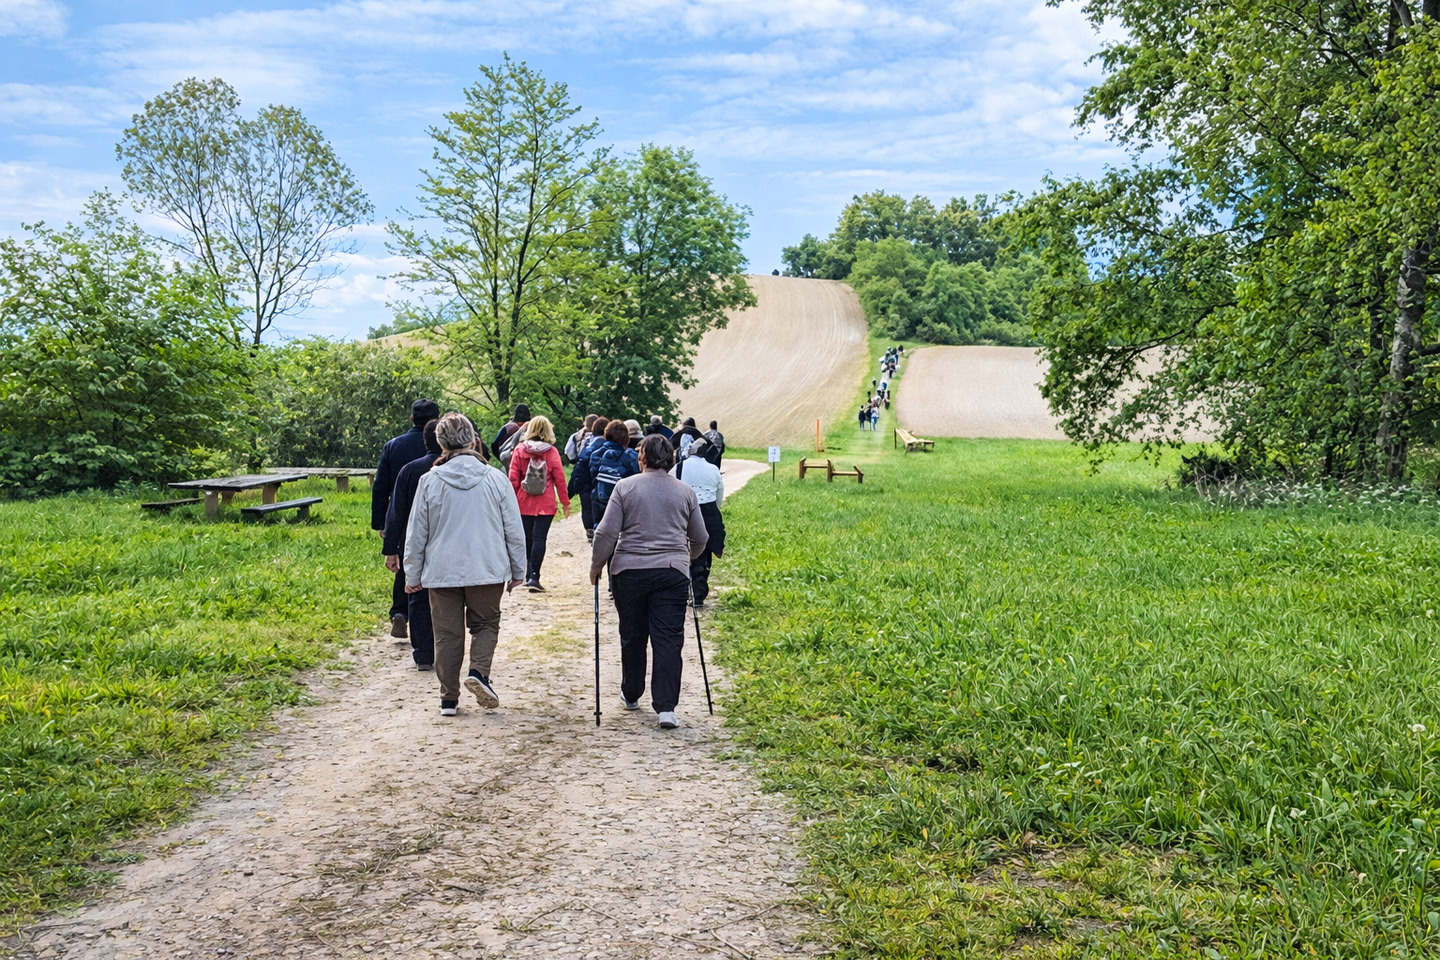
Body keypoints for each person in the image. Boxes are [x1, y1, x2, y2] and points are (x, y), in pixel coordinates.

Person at [404, 413, 527, 717]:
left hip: (441, 571)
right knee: (485, 623)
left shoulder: (430, 481)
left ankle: (448, 698)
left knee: (447, 634)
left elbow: (417, 531)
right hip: (486, 568)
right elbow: (513, 527)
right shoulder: (496, 479)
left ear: (440, 442)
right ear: (473, 440)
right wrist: (518, 569)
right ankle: (479, 672)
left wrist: (412, 573)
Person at [590, 435, 708, 730]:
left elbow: (606, 534)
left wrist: (596, 567)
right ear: (671, 458)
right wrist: (687, 557)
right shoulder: (685, 492)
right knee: (668, 638)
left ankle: (631, 693)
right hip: (671, 572)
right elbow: (701, 537)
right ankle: (666, 708)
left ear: (641, 457)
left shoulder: (625, 487)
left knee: (632, 634)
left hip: (629, 571)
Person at [373, 398, 441, 639]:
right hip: (436, 515)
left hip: (402, 512)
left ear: (412, 419)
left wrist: (381, 523)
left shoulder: (394, 445)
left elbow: (381, 486)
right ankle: (431, 616)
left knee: (404, 562)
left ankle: (400, 612)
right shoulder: (442, 446)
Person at [382, 420, 442, 670]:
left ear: (425, 441)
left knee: (415, 592)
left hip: (412, 540)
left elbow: (395, 512)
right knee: (445, 596)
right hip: (444, 542)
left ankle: (422, 652)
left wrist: (391, 550)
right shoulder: (451, 469)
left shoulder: (409, 470)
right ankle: (444, 643)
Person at [507, 415, 570, 592]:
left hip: (523, 501)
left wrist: (510, 501)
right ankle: (535, 576)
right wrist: (565, 502)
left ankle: (527, 574)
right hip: (546, 502)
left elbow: (513, 478)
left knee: (527, 538)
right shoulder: (551, 452)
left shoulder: (519, 450)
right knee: (539, 538)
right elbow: (560, 479)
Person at [672, 438, 725, 607]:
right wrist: (713, 510)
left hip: (686, 510)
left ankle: (691, 587)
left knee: (688, 548)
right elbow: (719, 493)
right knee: (706, 548)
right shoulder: (713, 468)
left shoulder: (679, 467)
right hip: (709, 511)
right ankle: (700, 588)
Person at [586, 419, 641, 524]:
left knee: (600, 529)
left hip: (599, 497)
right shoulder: (632, 456)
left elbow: (593, 477)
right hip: (623, 501)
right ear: (626, 438)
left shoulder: (595, 455)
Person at [569, 416, 609, 543]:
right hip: (603, 484)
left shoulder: (588, 446)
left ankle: (590, 530)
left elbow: (578, 466)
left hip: (586, 483)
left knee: (586, 506)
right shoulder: (611, 447)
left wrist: (573, 485)